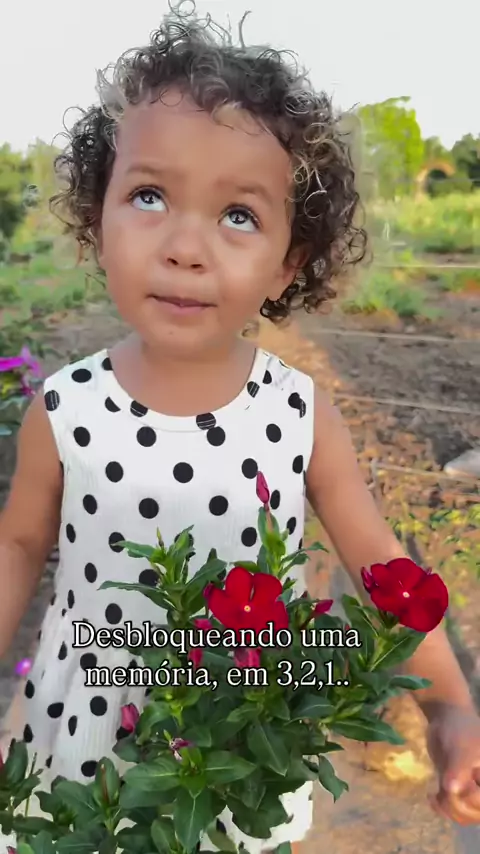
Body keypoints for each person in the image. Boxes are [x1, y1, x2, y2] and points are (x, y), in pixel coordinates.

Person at [1, 7, 479, 851]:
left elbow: (385, 567)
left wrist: (449, 707)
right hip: (83, 742)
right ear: (97, 221)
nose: (186, 246)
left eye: (239, 216)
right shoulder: (65, 408)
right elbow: (16, 548)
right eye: (149, 196)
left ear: (288, 263)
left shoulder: (299, 413)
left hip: (239, 754)